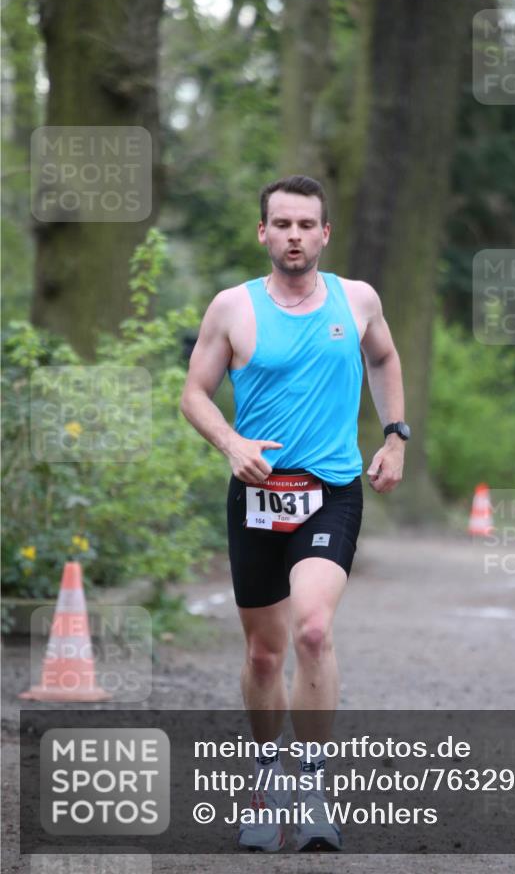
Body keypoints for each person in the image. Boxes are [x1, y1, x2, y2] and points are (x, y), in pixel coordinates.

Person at [180, 174, 409, 852]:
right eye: (281, 224)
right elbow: (194, 393)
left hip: (331, 489)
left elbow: (386, 357)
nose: (293, 236)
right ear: (263, 233)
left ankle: (312, 784)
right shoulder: (232, 308)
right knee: (262, 652)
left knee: (311, 631)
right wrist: (230, 442)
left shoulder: (356, 299)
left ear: (324, 233)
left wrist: (394, 435)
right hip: (254, 493)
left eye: (305, 224)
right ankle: (264, 775)